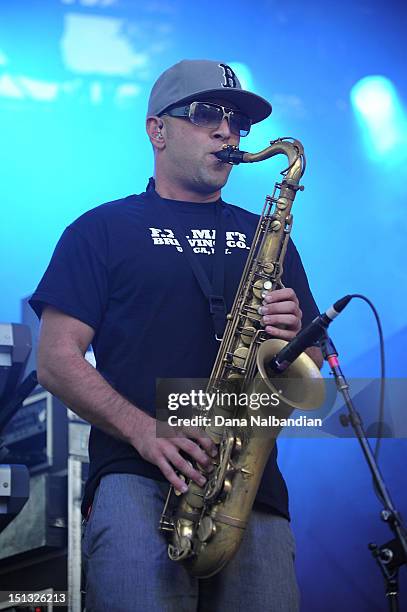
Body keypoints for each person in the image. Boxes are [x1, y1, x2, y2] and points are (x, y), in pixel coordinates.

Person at [30, 59, 322, 611]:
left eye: (238, 123)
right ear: (156, 130)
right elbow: (55, 360)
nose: (227, 132)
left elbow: (308, 388)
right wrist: (146, 431)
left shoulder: (267, 237)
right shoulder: (101, 229)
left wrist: (292, 340)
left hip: (249, 490)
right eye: (207, 114)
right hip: (139, 479)